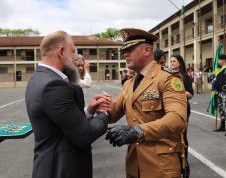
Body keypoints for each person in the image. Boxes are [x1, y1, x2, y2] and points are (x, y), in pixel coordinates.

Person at [25, 31, 112, 178]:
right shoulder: (53, 85)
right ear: (61, 51)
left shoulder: (39, 77)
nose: (75, 58)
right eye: (73, 52)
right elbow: (84, 135)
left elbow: (61, 120)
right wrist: (105, 113)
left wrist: (90, 110)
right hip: (60, 169)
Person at [105, 28, 187, 178]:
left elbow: (177, 119)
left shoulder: (167, 79)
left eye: (130, 49)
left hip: (161, 167)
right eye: (124, 50)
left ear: (147, 50)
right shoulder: (129, 84)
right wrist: (95, 109)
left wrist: (138, 132)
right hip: (134, 166)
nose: (125, 54)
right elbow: (113, 114)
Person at [170, 54, 194, 178]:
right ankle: (177, 162)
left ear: (180, 62)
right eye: (171, 61)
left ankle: (185, 165)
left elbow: (190, 94)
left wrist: (178, 92)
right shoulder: (170, 76)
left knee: (182, 137)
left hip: (184, 109)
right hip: (172, 109)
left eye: (174, 61)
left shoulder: (185, 77)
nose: (172, 63)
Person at [213, 54, 226, 134]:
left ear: (223, 60)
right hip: (220, 92)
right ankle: (222, 126)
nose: (218, 61)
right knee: (221, 110)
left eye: (219, 59)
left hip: (225, 92)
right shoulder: (220, 70)